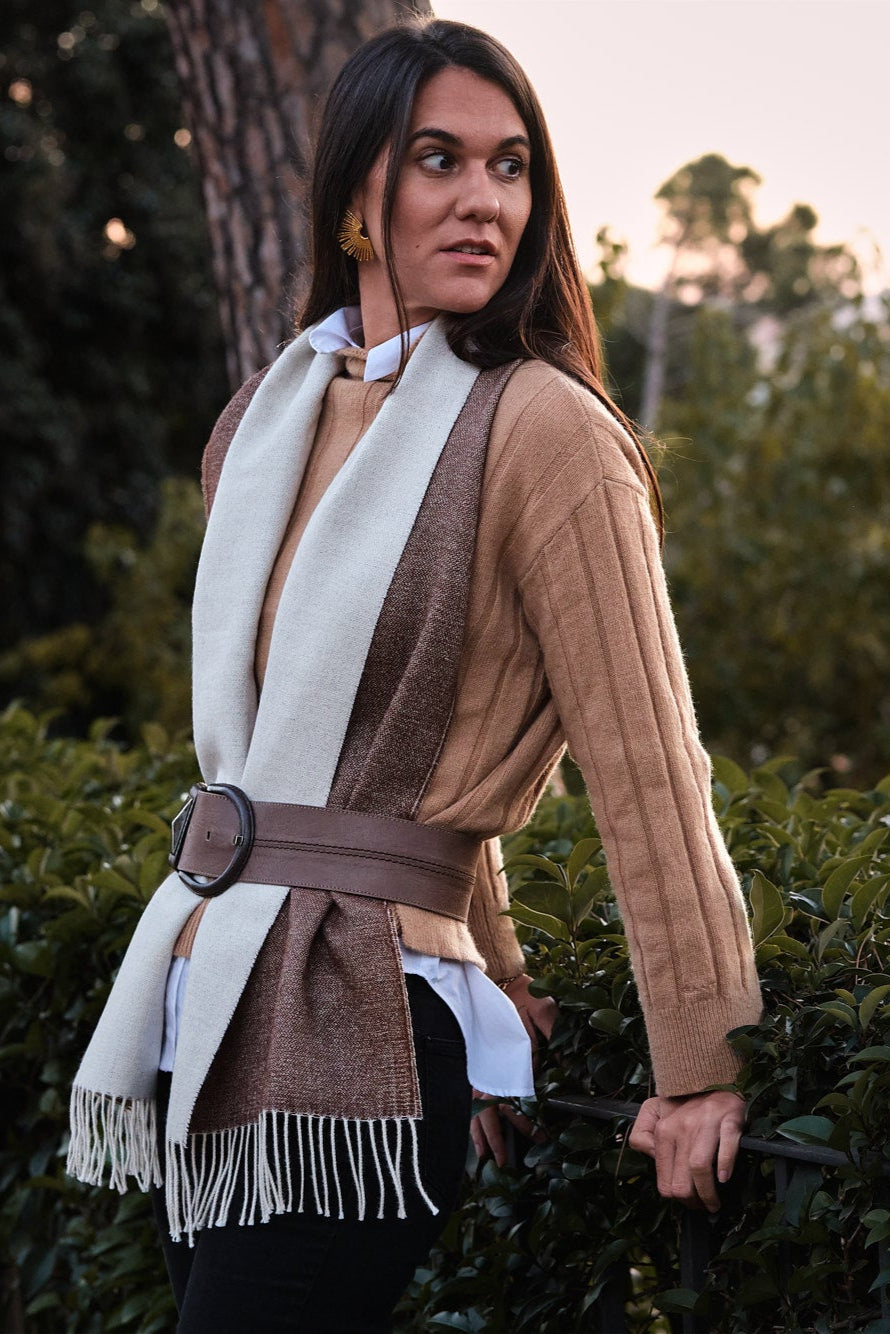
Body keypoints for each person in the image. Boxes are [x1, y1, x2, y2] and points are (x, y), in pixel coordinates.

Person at [66, 16, 763, 1331]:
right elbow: (383, 740)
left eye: (511, 169)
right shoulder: (264, 421)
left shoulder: (546, 428)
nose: (482, 199)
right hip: (215, 1000)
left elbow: (648, 769)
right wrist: (496, 957)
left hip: (367, 1026)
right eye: (438, 158)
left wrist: (701, 1066)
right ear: (352, 201)